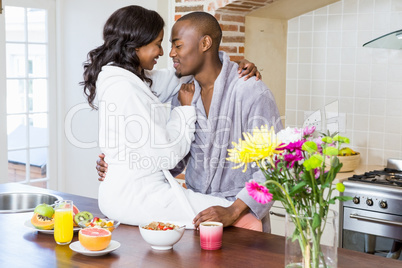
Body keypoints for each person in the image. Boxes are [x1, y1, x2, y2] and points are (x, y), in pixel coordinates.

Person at [97, 11, 283, 232]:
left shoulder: (250, 92)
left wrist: (233, 210)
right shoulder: (185, 91)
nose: (171, 53)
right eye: (167, 45)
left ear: (205, 43)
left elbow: (276, 166)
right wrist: (127, 163)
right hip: (197, 218)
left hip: (239, 217)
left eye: (178, 45)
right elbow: (177, 153)